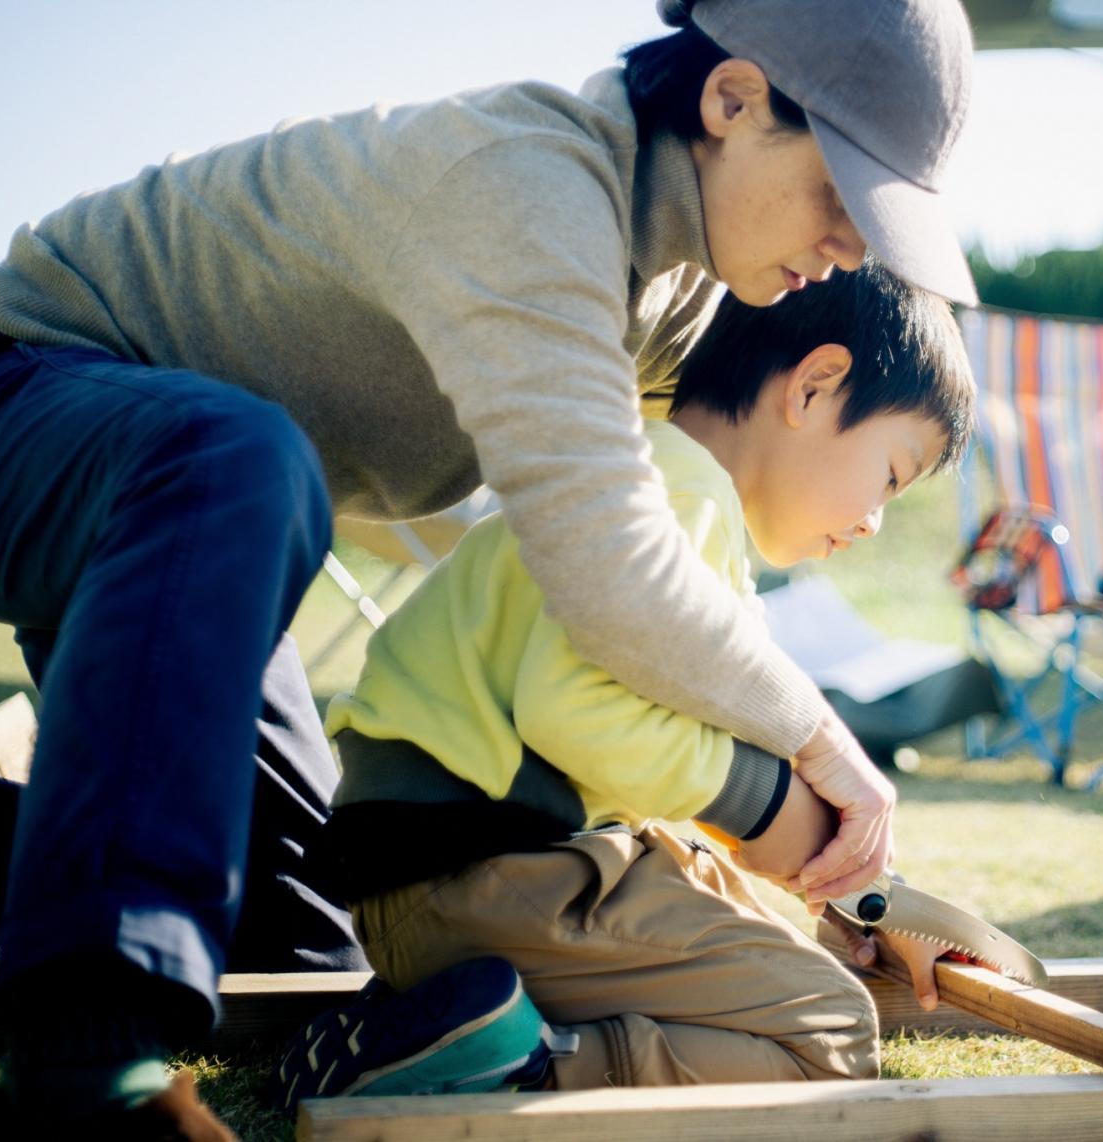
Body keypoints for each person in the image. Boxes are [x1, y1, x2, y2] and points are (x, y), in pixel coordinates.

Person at [0, 0, 977, 1133]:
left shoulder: (675, 288)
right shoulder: (532, 190)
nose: (852, 246)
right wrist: (821, 758)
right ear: (733, 102)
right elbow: (613, 561)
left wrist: (866, 885)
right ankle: (83, 1068)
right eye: (843, 192)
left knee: (311, 930)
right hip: (16, 398)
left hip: (180, 550)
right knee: (241, 456)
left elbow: (685, 614)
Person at [275, 263, 973, 1103]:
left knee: (732, 910)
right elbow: (574, 711)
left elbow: (686, 757)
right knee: (827, 1032)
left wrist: (869, 900)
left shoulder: (644, 479)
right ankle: (505, 1059)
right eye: (891, 475)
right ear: (816, 387)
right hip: (477, 874)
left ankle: (448, 1017)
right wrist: (758, 802)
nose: (873, 520)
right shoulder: (676, 493)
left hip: (455, 878)